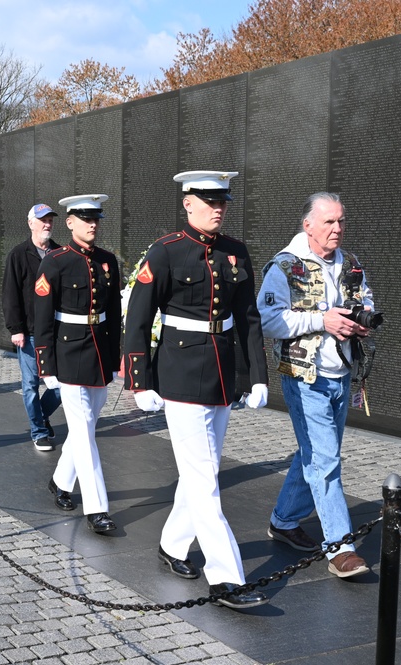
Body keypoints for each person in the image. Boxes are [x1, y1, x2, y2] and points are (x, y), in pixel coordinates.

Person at [123, 170, 269, 610]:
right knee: (205, 479)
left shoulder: (235, 251)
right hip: (181, 374)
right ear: (188, 203)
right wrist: (138, 380)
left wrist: (257, 376)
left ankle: (172, 544)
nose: (218, 207)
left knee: (200, 472)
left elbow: (248, 320)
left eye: (222, 199)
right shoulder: (166, 251)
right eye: (208, 200)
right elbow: (139, 318)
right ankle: (227, 579)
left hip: (222, 374)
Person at [258, 192, 374, 579]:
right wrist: (321, 320)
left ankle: (284, 520)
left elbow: (366, 299)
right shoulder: (285, 266)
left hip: (342, 374)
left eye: (341, 221)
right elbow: (268, 319)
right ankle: (340, 548)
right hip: (305, 377)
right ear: (308, 225)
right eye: (329, 222)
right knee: (325, 459)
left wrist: (362, 320)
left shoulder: (351, 263)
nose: (338, 229)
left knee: (315, 453)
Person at [34, 194, 121, 534]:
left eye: (96, 218)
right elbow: (42, 317)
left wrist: (116, 358)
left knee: (86, 425)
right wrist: (46, 364)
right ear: (70, 223)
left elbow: (113, 313)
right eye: (85, 219)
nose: (92, 224)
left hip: (99, 351)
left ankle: (60, 481)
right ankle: (97, 508)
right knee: (83, 432)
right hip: (67, 352)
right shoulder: (55, 261)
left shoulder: (107, 260)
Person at [2, 203, 63, 451]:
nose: (47, 224)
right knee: (30, 384)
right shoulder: (18, 254)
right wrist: (15, 329)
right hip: (29, 332)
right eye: (42, 220)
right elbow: (10, 294)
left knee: (60, 385)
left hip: (57, 332)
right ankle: (38, 431)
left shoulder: (60, 252)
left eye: (50, 220)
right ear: (31, 223)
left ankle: (41, 417)